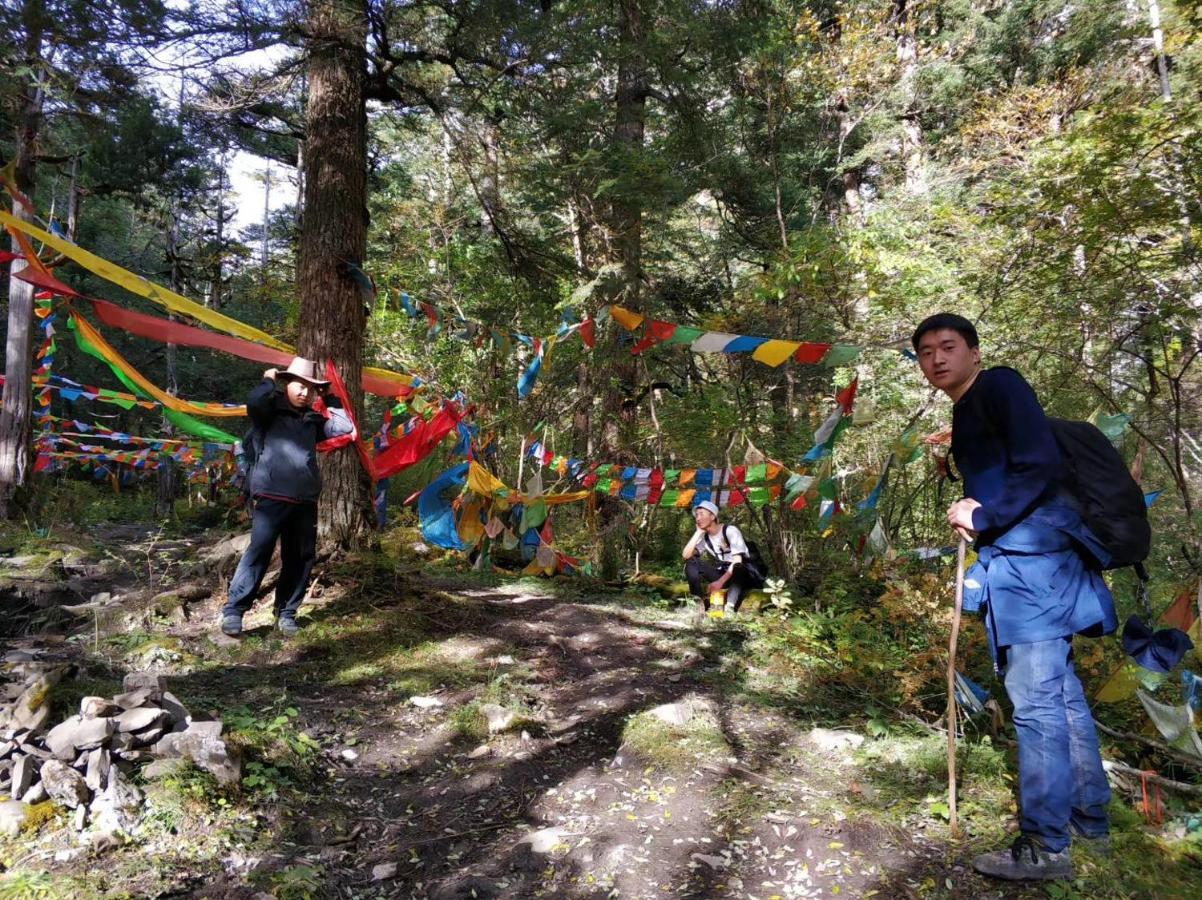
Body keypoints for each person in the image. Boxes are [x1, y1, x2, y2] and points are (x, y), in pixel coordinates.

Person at [913, 313, 1116, 882]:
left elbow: (1040, 463)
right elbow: (1009, 477)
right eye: (926, 352)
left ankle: (1047, 846)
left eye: (948, 346)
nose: (936, 359)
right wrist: (976, 511)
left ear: (974, 351)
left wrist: (987, 514)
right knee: (1061, 695)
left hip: (1036, 568)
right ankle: (1087, 820)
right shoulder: (966, 407)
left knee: (1035, 703)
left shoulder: (999, 384)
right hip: (1032, 562)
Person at [220, 358, 354, 638]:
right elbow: (254, 402)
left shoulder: (313, 421)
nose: (304, 392)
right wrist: (267, 381)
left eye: (309, 388)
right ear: (286, 385)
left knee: (301, 558)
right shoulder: (269, 411)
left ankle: (287, 613)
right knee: (259, 552)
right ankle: (234, 611)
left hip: (304, 500)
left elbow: (343, 428)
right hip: (271, 496)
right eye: (299, 386)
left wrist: (329, 396)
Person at [682, 500, 761, 617]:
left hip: (743, 575)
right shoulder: (705, 538)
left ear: (713, 516)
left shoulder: (730, 530)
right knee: (691, 561)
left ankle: (729, 607)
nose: (698, 518)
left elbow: (738, 561)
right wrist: (698, 533)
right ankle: (698, 602)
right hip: (725, 573)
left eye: (701, 514)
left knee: (738, 566)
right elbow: (686, 555)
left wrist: (719, 582)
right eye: (697, 515)